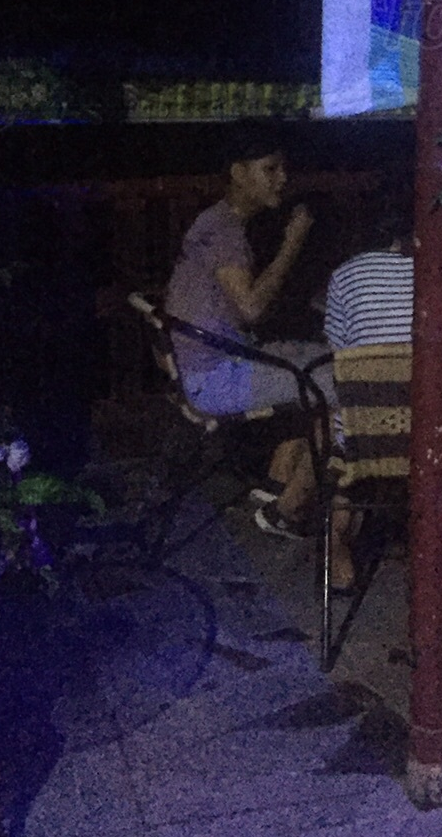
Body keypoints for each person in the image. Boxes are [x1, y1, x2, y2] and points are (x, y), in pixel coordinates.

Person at [163, 132, 329, 536]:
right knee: (346, 381)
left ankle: (277, 481)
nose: (282, 178)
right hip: (216, 377)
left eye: (283, 168)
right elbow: (251, 307)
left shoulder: (215, 221)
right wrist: (293, 242)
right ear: (238, 173)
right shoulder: (224, 233)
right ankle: (288, 511)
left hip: (205, 363)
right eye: (270, 169)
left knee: (319, 355)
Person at [321, 193, 414, 589]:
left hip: (367, 441)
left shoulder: (345, 275)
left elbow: (340, 354)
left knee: (339, 422)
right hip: (429, 436)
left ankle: (337, 545)